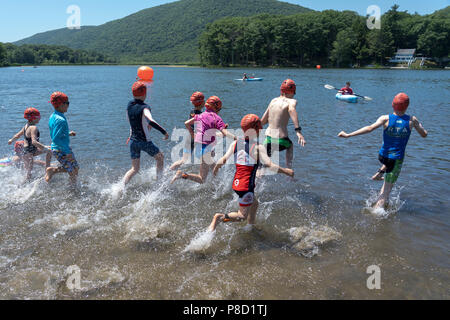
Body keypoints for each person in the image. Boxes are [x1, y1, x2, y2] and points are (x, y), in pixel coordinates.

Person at [338, 93, 428, 209]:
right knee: (386, 192)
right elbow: (424, 134)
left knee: (389, 162)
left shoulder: (385, 118)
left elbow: (369, 128)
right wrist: (421, 127)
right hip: (396, 159)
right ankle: (376, 214)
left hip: (382, 156)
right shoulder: (412, 120)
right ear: (407, 106)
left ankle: (379, 174)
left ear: (392, 105)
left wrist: (348, 135)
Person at [208, 114, 294, 232]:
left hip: (237, 182)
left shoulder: (236, 143)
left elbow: (222, 160)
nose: (262, 129)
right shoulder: (258, 147)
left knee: (254, 204)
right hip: (246, 186)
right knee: (241, 216)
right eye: (259, 127)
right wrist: (286, 171)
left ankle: (250, 228)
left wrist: (215, 169)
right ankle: (219, 217)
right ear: (256, 129)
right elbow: (270, 165)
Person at [171, 96, 236, 184]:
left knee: (214, 168)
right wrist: (235, 138)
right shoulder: (216, 118)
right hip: (206, 149)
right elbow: (224, 132)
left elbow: (186, 123)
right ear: (217, 108)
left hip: (199, 147)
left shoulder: (201, 115)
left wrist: (192, 134)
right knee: (202, 179)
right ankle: (182, 175)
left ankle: (216, 187)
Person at [123, 81, 169, 185]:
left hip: (132, 142)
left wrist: (130, 135)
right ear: (145, 93)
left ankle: (121, 188)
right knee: (160, 158)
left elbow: (133, 121)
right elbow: (151, 121)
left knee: (134, 169)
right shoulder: (145, 107)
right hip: (144, 142)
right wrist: (164, 132)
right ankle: (160, 183)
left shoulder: (129, 105)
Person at [260, 79, 306, 169]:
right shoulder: (292, 101)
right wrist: (298, 131)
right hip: (281, 140)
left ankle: (257, 179)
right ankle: (289, 171)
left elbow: (263, 121)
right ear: (292, 92)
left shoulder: (273, 101)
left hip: (268, 139)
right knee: (290, 145)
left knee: (262, 166)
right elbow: (292, 109)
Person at [45, 92, 79, 185]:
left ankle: (54, 171)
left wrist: (68, 133)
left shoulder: (53, 116)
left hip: (61, 148)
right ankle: (73, 189)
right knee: (72, 171)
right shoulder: (61, 120)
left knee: (75, 168)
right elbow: (56, 138)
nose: (68, 105)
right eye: (67, 103)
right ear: (61, 104)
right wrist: (66, 151)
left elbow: (56, 133)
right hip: (61, 149)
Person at [8, 108, 52, 180]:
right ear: (34, 118)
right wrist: (44, 148)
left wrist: (11, 140)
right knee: (29, 175)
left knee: (51, 149)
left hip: (28, 151)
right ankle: (47, 170)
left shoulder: (26, 125)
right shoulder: (33, 128)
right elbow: (34, 142)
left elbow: (17, 135)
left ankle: (47, 169)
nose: (40, 118)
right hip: (29, 153)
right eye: (39, 116)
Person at [170, 91, 205, 171]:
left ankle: (170, 170)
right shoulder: (200, 115)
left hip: (189, 138)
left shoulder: (192, 112)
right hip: (195, 138)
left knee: (184, 160)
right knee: (208, 157)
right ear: (202, 102)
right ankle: (207, 175)